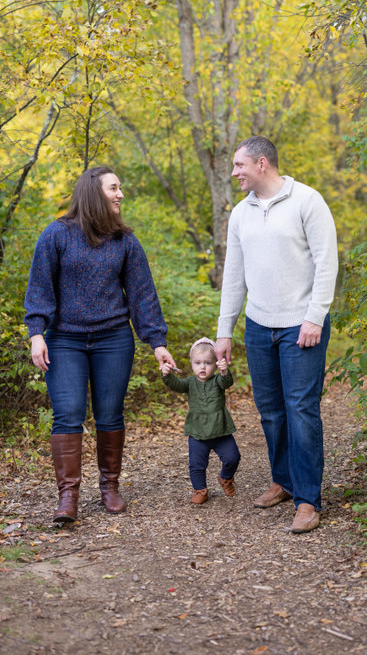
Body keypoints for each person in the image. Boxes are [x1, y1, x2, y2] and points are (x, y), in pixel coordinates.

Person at [24, 165, 176, 523]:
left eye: (120, 188)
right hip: (64, 341)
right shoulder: (56, 235)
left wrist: (157, 342)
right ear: (94, 192)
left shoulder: (125, 242)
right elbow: (40, 289)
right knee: (67, 415)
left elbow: (142, 296)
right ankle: (68, 498)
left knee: (110, 414)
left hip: (113, 339)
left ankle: (110, 486)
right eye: (114, 188)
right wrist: (37, 334)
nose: (120, 194)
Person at [215, 136, 338, 534]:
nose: (234, 173)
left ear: (262, 163)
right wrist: (225, 331)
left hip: (301, 325)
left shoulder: (307, 201)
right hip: (258, 325)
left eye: (239, 166)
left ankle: (307, 500)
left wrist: (315, 316)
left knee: (301, 410)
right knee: (271, 411)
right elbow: (234, 275)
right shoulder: (241, 213)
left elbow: (326, 261)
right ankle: (283, 482)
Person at [160, 337, 240, 505]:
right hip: (197, 431)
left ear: (216, 364)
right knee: (196, 464)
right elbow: (175, 384)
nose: (202, 367)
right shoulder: (189, 383)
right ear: (191, 364)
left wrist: (224, 371)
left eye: (208, 363)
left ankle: (225, 478)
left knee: (233, 457)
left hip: (220, 430)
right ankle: (200, 490)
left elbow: (227, 382)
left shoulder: (217, 381)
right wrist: (166, 374)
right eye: (198, 363)